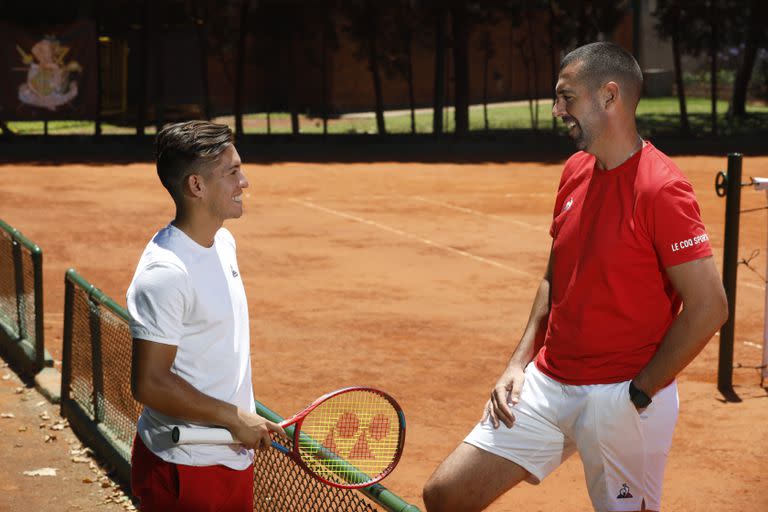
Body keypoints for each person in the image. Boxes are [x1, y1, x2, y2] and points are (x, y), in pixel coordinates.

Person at [422, 42, 728, 512]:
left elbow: (709, 307)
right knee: (446, 495)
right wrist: (517, 363)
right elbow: (554, 274)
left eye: (567, 98)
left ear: (609, 96)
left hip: (621, 397)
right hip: (548, 383)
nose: (556, 109)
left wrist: (639, 392)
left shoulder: (662, 188)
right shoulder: (575, 170)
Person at [127, 120, 285, 511]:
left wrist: (237, 421)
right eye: (231, 172)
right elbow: (149, 383)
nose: (244, 182)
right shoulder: (166, 272)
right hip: (185, 466)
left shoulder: (223, 243)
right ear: (196, 186)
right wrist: (233, 417)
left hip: (230, 458)